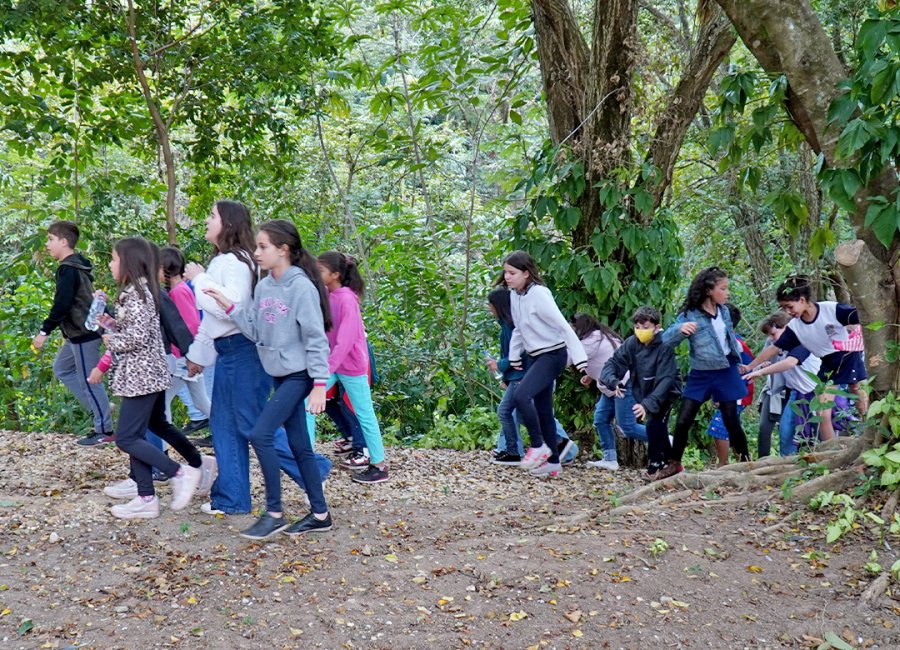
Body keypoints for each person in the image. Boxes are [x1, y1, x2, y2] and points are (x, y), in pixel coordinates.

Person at [183, 200, 330, 515]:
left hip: (242, 351)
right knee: (224, 424)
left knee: (252, 424)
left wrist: (199, 281)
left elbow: (229, 309)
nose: (207, 221)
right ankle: (232, 497)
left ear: (230, 223)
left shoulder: (235, 262)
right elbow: (226, 317)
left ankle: (312, 471)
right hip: (230, 350)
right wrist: (198, 354)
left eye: (213, 216)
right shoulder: (234, 264)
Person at [98, 237, 201, 519]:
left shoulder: (138, 293)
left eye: (114, 259)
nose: (110, 264)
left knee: (127, 437)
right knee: (144, 429)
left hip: (141, 375)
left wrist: (111, 340)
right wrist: (108, 324)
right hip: (145, 373)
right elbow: (133, 328)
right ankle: (145, 496)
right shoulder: (138, 292)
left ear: (129, 263)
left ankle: (178, 473)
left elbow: (137, 337)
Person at [741, 276, 869, 441]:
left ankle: (868, 435)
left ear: (802, 300)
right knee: (821, 411)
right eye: (783, 308)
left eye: (789, 306)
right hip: (828, 363)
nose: (787, 312)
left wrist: (857, 335)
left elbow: (862, 317)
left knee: (860, 398)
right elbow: (775, 347)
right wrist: (751, 367)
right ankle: (832, 449)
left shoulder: (831, 309)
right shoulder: (795, 326)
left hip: (849, 356)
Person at [658, 267, 751, 480]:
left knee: (731, 420)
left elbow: (729, 339)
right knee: (683, 420)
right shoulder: (690, 315)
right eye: (723, 288)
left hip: (725, 370)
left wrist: (738, 361)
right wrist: (680, 330)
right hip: (701, 372)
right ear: (709, 290)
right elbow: (666, 341)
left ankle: (746, 461)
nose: (727, 293)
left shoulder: (724, 311)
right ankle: (674, 464)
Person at [504, 251, 587, 477]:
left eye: (512, 273)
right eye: (505, 272)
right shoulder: (515, 295)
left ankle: (539, 446)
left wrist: (580, 358)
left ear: (527, 273)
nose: (507, 277)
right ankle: (553, 462)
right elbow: (519, 328)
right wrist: (513, 356)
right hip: (534, 356)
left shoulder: (540, 294)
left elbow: (563, 326)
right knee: (543, 410)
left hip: (553, 355)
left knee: (521, 396)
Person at [32, 221, 113, 446]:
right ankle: (100, 407)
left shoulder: (68, 268)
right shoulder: (78, 266)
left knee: (90, 380)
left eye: (50, 239)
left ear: (64, 242)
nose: (47, 244)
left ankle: (104, 430)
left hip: (83, 332)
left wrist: (44, 331)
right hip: (78, 333)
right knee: (62, 368)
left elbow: (63, 303)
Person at [317, 251, 389, 483]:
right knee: (307, 403)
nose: (317, 274)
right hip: (333, 363)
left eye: (321, 271)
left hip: (351, 365)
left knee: (365, 413)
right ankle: (307, 460)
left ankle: (379, 466)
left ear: (336, 274)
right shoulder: (329, 295)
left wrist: (325, 369)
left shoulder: (347, 299)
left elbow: (345, 341)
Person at [600, 306, 681, 478]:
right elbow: (613, 363)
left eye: (646, 327)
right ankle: (673, 464)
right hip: (645, 390)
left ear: (657, 327)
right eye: (637, 327)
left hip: (666, 391)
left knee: (654, 424)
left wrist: (647, 404)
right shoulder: (632, 343)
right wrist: (613, 381)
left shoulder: (664, 345)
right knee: (657, 425)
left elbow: (666, 379)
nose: (641, 331)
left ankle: (655, 465)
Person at [572, 312, 648, 471]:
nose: (571, 330)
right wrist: (590, 376)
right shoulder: (601, 336)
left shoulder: (591, 340)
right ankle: (610, 459)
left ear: (581, 327)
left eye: (573, 326)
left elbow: (570, 358)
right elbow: (604, 360)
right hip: (611, 387)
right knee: (601, 419)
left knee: (627, 426)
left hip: (624, 385)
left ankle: (665, 439)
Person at [743, 312, 822, 456]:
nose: (771, 339)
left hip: (816, 393)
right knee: (786, 432)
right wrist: (751, 368)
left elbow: (790, 362)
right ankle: (786, 463)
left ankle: (826, 460)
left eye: (773, 334)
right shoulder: (778, 344)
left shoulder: (803, 341)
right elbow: (770, 351)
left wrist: (761, 372)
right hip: (795, 394)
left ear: (787, 328)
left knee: (819, 432)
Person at [159, 247, 212, 428]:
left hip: (183, 357)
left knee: (163, 401)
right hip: (188, 354)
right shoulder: (180, 289)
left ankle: (163, 443)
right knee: (200, 401)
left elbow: (189, 324)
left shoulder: (178, 292)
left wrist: (188, 354)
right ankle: (227, 428)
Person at [705, 304, 755, 466]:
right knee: (732, 427)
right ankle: (743, 462)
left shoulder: (737, 344)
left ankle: (723, 465)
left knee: (719, 427)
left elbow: (749, 369)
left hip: (738, 393)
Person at [485, 287, 526, 465]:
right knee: (520, 414)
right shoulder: (506, 325)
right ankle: (512, 450)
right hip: (516, 377)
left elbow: (519, 354)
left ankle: (512, 452)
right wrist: (505, 379)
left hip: (521, 376)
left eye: (490, 305)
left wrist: (499, 365)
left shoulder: (510, 327)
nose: (489, 308)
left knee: (505, 412)